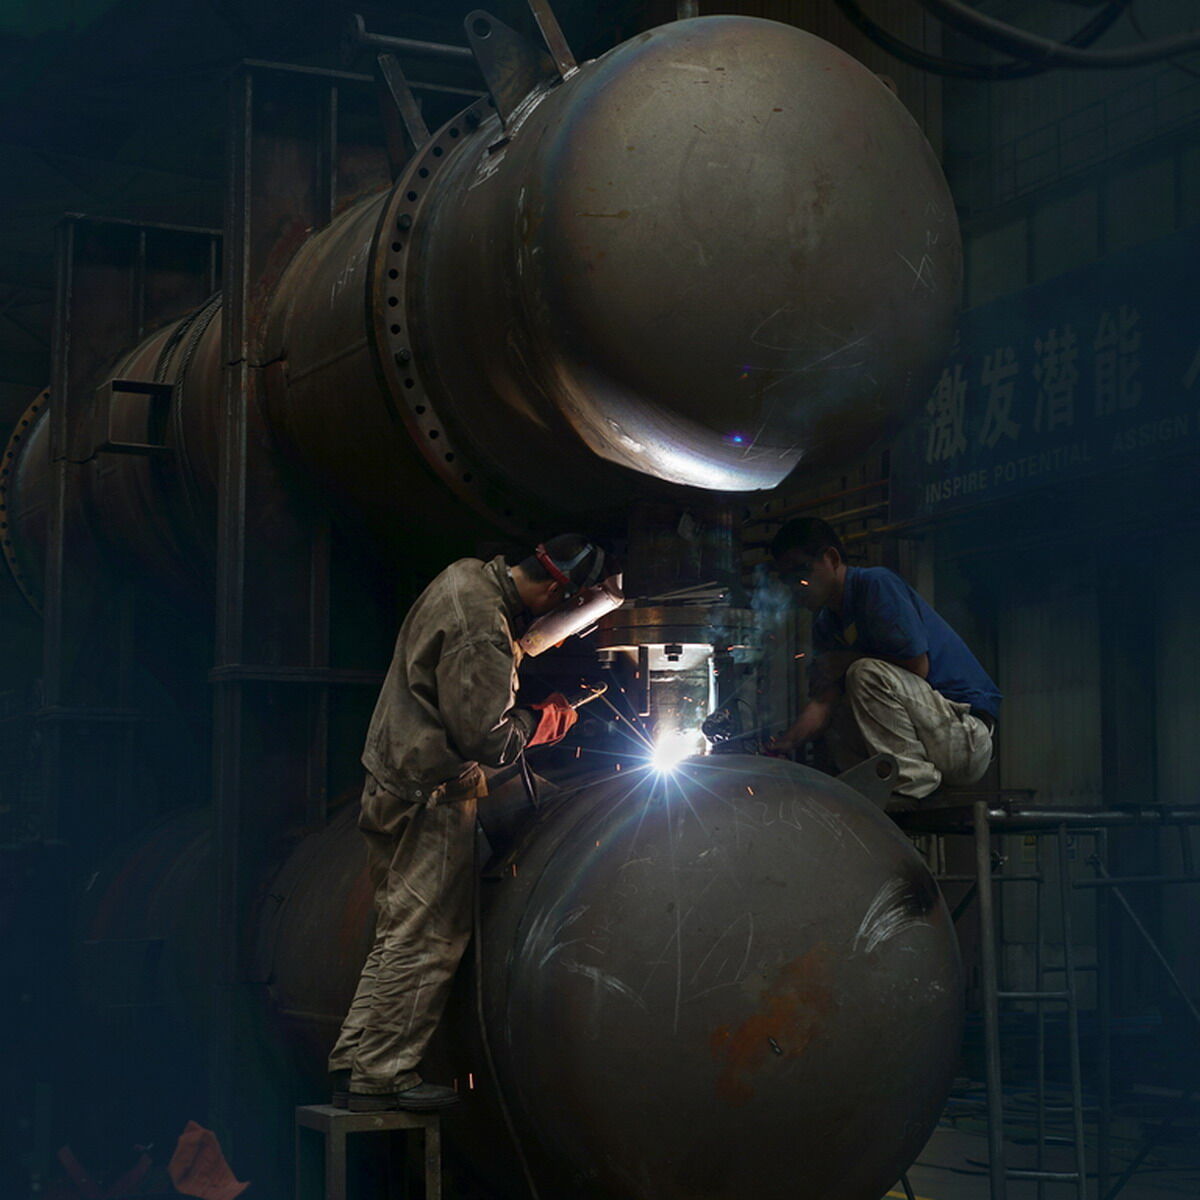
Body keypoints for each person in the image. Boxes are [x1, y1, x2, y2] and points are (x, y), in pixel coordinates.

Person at [329, 535, 606, 1112]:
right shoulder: (484, 631)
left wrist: (520, 650)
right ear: (556, 591)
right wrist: (542, 721)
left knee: (397, 930)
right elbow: (488, 740)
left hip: (390, 778)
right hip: (429, 796)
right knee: (429, 935)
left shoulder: (465, 576)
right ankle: (383, 1075)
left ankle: (356, 1058)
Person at [768, 518, 1000, 807]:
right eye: (787, 579)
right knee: (840, 703)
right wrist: (784, 744)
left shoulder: (875, 584)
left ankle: (910, 784)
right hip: (925, 738)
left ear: (831, 558)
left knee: (862, 672)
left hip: (964, 737)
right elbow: (823, 703)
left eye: (801, 571)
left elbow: (918, 666)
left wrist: (846, 661)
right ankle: (869, 787)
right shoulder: (826, 624)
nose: (796, 587)